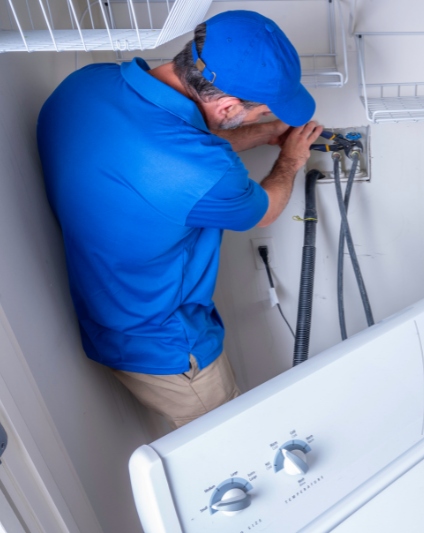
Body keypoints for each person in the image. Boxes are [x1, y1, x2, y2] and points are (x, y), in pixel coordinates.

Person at [37, 10, 323, 429]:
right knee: (234, 452)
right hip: (169, 346)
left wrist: (261, 133)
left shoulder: (85, 84)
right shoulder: (207, 172)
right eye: (261, 112)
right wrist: (292, 159)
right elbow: (265, 209)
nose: (261, 118)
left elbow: (177, 139)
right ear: (227, 105)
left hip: (111, 313)